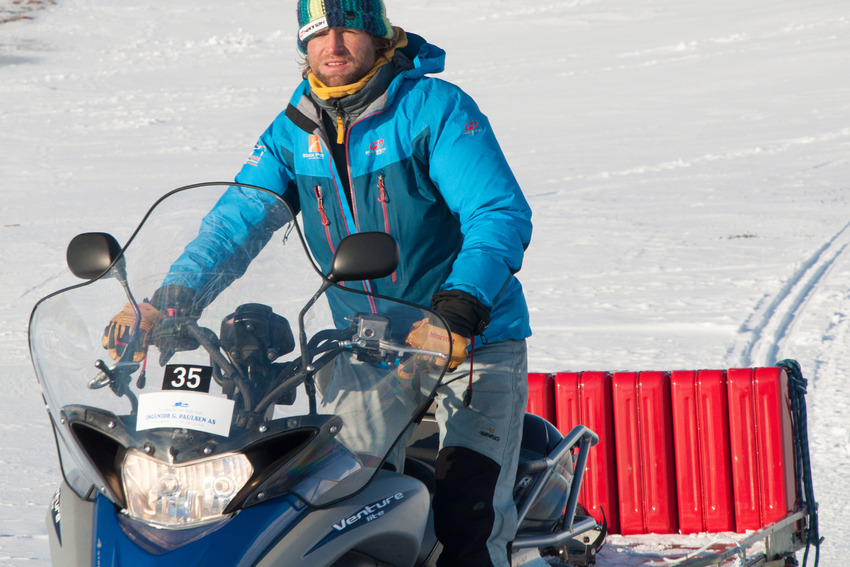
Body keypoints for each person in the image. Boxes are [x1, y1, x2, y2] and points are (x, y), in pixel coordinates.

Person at [104, 1, 532, 565]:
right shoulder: (293, 129)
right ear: (302, 46)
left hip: (466, 342)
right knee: (331, 508)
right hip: (367, 348)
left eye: (348, 28)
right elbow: (235, 224)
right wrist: (170, 301)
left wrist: (457, 312)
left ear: (378, 35)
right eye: (317, 33)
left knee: (466, 514)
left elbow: (497, 213)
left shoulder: (433, 109)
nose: (332, 45)